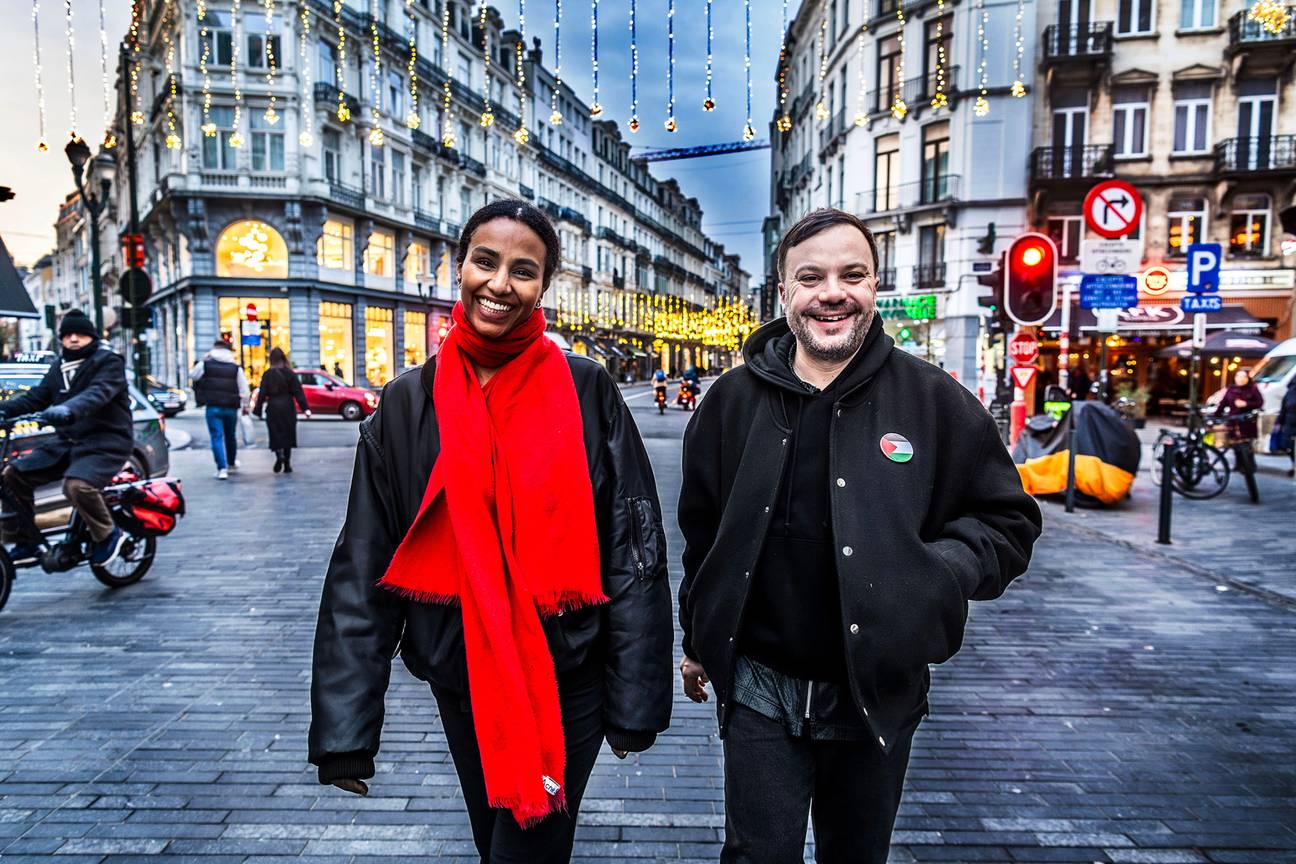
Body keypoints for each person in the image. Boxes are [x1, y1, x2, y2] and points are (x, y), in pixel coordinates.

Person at [310, 199, 673, 864]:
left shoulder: (586, 387)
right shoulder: (406, 402)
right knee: (493, 840)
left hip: (571, 674)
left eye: (524, 270)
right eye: (486, 261)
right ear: (459, 267)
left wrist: (636, 699)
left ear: (545, 286)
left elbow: (634, 548)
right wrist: (346, 733)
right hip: (459, 673)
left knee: (523, 852)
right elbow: (364, 563)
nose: (501, 283)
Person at [677, 209, 1042, 864]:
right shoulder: (731, 401)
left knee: (856, 855)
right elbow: (702, 534)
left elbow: (1008, 520)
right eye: (810, 277)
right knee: (757, 856)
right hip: (761, 685)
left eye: (852, 274)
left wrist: (938, 574)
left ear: (874, 284)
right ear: (783, 292)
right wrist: (698, 639)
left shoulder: (933, 399)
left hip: (878, 686)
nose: (832, 293)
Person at [0, 310, 132, 567]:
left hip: (105, 442)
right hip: (68, 442)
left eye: (80, 334)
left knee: (77, 486)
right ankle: (26, 541)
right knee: (12, 476)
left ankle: (107, 533)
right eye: (68, 335)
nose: (73, 339)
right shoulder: (58, 367)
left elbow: (98, 393)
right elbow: (36, 398)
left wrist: (68, 409)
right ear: (61, 339)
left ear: (91, 336)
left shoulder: (108, 362)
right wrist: (5, 409)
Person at [189, 339, 250, 480]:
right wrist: (246, 406)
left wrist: (204, 360)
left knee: (216, 436)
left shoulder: (206, 364)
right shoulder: (235, 367)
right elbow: (244, 389)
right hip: (231, 406)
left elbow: (193, 375)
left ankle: (222, 469)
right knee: (231, 435)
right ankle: (231, 463)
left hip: (213, 405)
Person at [254, 347, 311, 474]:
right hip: (288, 407)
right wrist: (306, 409)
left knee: (275, 434)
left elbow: (262, 394)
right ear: (283, 358)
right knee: (288, 434)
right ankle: (287, 464)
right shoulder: (290, 374)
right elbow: (298, 393)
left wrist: (257, 410)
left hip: (273, 407)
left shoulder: (267, 374)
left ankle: (279, 455)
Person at [1213, 368, 1264, 445]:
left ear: (1248, 378)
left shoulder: (1253, 389)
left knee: (1246, 448)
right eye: (1239, 376)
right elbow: (1223, 404)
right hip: (1233, 421)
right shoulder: (1230, 389)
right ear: (1235, 378)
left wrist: (1246, 403)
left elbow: (1260, 402)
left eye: (1244, 376)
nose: (1241, 379)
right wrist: (1215, 416)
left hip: (1247, 422)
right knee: (1235, 445)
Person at [1278, 377, 1296, 478]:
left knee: (1290, 446)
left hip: (1289, 421)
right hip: (1290, 421)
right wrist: (1279, 422)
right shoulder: (1291, 389)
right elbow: (1285, 406)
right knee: (1288, 446)